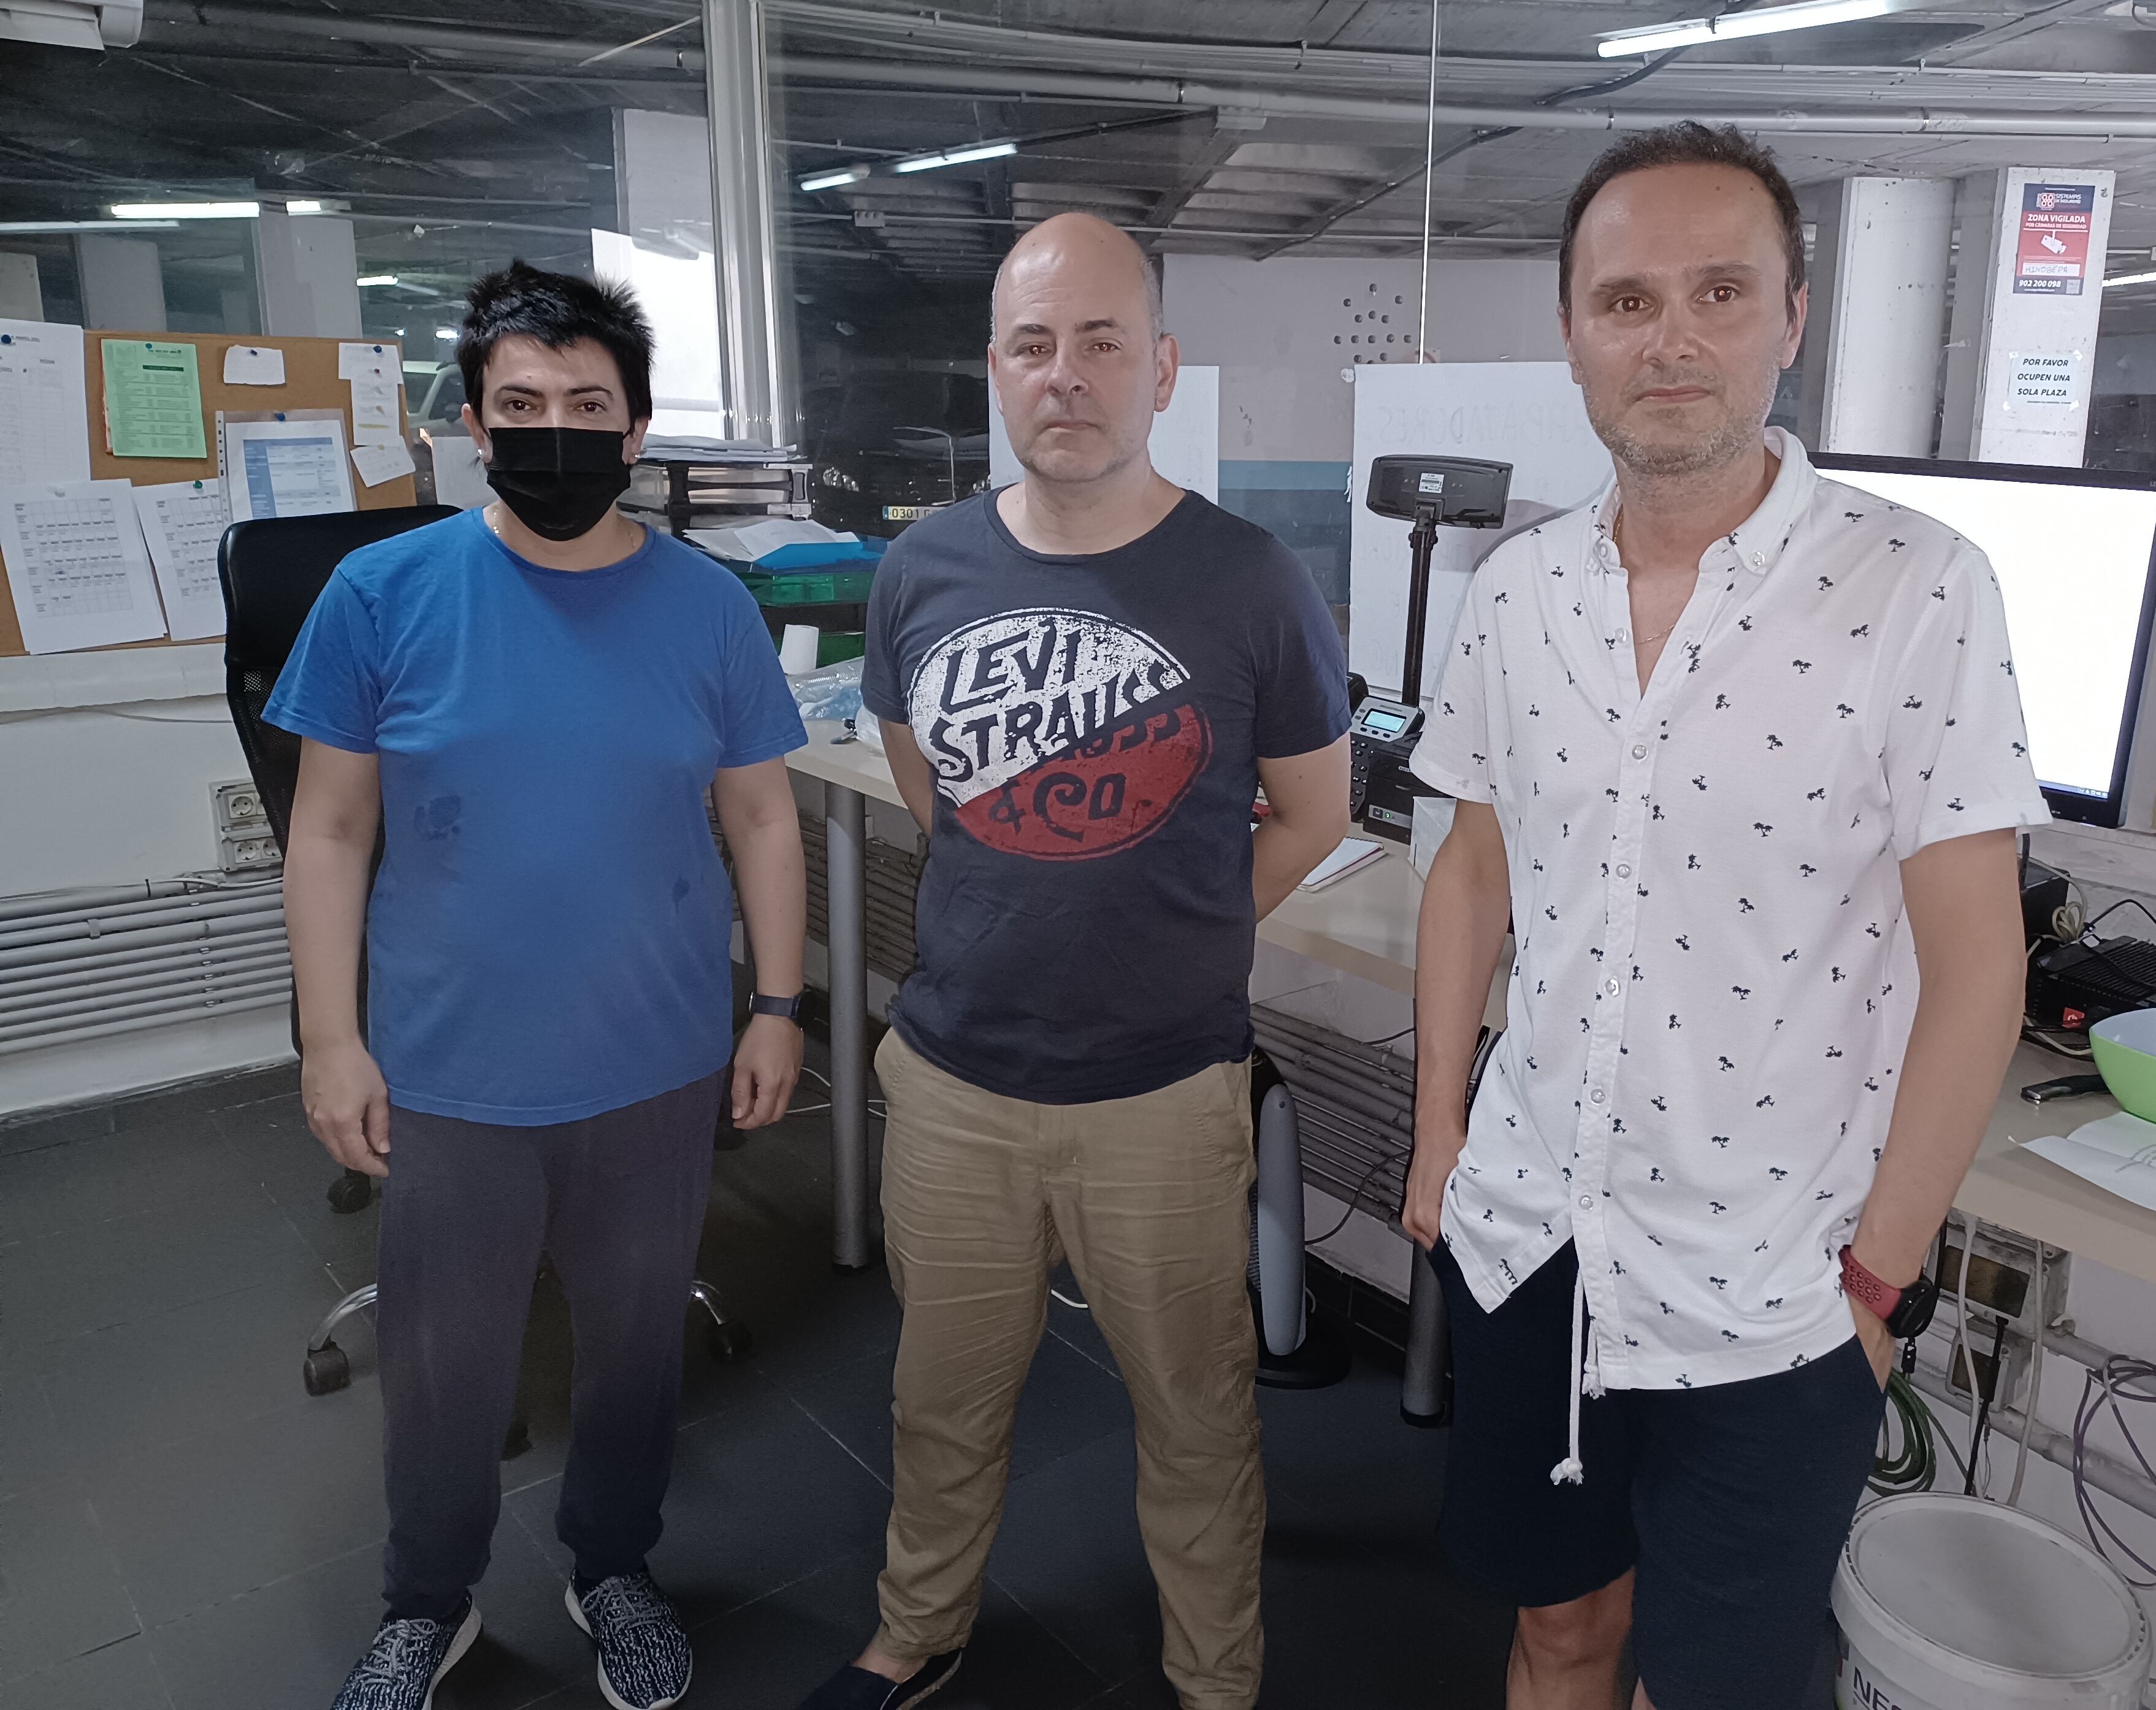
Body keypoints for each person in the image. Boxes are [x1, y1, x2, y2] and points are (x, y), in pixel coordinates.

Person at [1401, 122, 2043, 1710]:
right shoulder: (1516, 593)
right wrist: (1436, 1144)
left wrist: (1880, 1287)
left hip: (1782, 1281)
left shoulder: (1920, 589)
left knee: (1721, 1685)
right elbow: (1471, 873)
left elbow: (1980, 968)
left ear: (1792, 320)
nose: (1670, 337)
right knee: (1557, 1634)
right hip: (1531, 1240)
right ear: (1571, 336)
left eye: (1718, 291)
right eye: (1625, 301)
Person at [795, 213, 1353, 1710]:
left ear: (1161, 367)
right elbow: (934, 791)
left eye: (1101, 340)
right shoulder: (921, 567)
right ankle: (916, 1627)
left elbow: (1316, 808)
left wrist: (1177, 920)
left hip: (1163, 1091)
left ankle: (1213, 1679)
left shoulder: (1247, 580)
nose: (1066, 374)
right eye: (1033, 345)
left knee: (1194, 1414)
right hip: (957, 1076)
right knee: (941, 1397)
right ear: (995, 370)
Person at [275, 262, 811, 1710]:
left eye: (588, 406)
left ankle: (612, 1565)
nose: (556, 430)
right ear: (473, 421)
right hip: (450, 1069)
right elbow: (327, 830)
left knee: (634, 1353)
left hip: (656, 1056)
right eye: (523, 405)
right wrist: (332, 1041)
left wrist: (777, 1005)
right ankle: (428, 1603)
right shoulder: (380, 594)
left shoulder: (706, 607)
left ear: (636, 431)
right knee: (445, 1369)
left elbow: (762, 816)